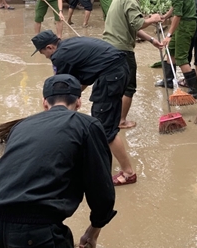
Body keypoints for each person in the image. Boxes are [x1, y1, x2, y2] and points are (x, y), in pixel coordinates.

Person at [0, 75, 116, 248]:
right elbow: (101, 187)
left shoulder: (21, 126)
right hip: (33, 234)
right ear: (79, 102)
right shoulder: (86, 125)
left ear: (44, 103)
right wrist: (93, 230)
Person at [31, 30, 137, 186]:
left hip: (112, 76)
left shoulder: (59, 56)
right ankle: (99, 158)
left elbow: (61, 87)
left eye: (43, 53)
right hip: (117, 71)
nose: (46, 57)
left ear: (49, 47)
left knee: (105, 127)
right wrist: (72, 100)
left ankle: (128, 173)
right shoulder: (70, 46)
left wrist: (54, 107)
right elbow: (81, 80)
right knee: (101, 119)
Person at [102, 0, 163, 129]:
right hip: (122, 50)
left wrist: (151, 40)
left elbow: (131, 27)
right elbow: (138, 24)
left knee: (115, 85)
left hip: (108, 48)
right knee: (129, 87)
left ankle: (110, 117)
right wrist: (153, 19)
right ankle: (121, 121)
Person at [148, 0, 197, 99]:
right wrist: (166, 15)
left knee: (182, 58)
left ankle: (194, 91)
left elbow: (179, 14)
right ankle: (168, 81)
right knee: (170, 52)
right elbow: (176, 5)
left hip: (186, 24)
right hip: (182, 22)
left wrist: (169, 34)